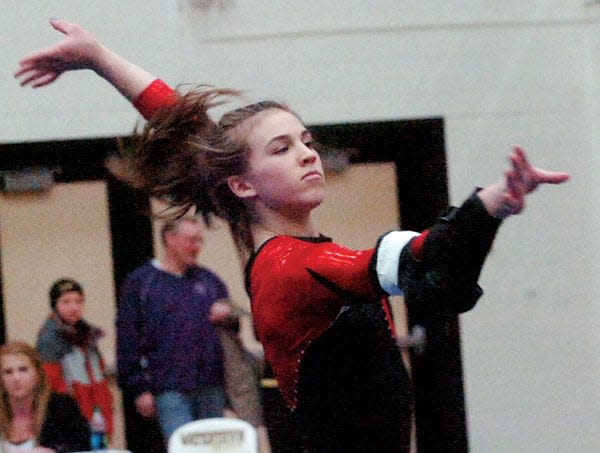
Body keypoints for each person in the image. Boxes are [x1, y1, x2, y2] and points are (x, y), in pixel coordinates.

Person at [14, 19, 569, 452]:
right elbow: (411, 260)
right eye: (281, 148)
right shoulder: (289, 267)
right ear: (243, 183)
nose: (307, 153)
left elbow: (185, 126)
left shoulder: (276, 245)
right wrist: (486, 204)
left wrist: (99, 58)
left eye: (305, 140)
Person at [116, 217, 261, 440]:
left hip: (212, 385)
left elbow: (233, 333)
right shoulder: (141, 283)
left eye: (199, 241)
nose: (197, 247)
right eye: (191, 241)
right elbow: (128, 338)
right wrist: (139, 388)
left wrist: (229, 316)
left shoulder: (210, 280)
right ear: (170, 240)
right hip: (169, 388)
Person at [35, 278, 114, 439]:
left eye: (79, 301)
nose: (74, 307)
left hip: (97, 410)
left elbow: (99, 374)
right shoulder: (50, 337)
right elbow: (52, 383)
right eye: (66, 302)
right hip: (71, 415)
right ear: (55, 304)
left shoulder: (87, 333)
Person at [0, 341, 91, 453]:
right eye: (8, 372)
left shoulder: (62, 407)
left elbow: (83, 445)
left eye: (23, 370)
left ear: (37, 374)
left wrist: (53, 451)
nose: (16, 378)